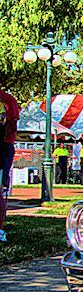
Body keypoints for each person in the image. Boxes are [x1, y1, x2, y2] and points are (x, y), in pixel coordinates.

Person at [0, 89, 20, 242]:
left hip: (3, 147)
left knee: (0, 189)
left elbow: (12, 123)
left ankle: (0, 230)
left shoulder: (8, 100)